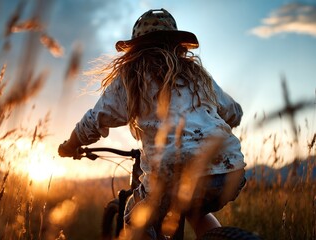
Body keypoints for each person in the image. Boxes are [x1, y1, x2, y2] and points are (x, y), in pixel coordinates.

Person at [58, 8, 246, 239]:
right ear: (177, 44)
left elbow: (94, 120)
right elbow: (234, 112)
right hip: (229, 171)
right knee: (195, 211)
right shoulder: (197, 75)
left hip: (172, 173)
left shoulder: (132, 74)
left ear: (136, 47)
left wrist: (69, 146)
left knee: (134, 218)